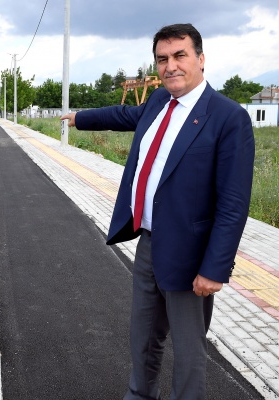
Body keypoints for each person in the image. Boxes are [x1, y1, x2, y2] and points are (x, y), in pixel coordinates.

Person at [61, 23, 254, 399]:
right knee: (143, 339)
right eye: (162, 59)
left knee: (188, 350)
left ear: (200, 58)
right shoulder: (156, 103)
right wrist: (78, 117)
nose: (171, 66)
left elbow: (233, 205)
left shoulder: (228, 118)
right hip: (149, 245)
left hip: (190, 255)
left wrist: (214, 269)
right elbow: (121, 118)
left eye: (180, 56)